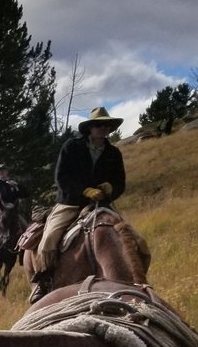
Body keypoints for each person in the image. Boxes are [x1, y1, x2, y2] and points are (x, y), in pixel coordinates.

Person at [28, 106, 127, 302]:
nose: (103, 129)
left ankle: (135, 280)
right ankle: (43, 282)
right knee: (49, 238)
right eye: (99, 125)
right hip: (71, 202)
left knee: (133, 240)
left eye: (107, 125)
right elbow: (61, 177)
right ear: (90, 127)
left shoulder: (114, 153)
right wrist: (84, 190)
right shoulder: (71, 146)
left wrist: (110, 188)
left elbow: (120, 182)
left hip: (102, 204)